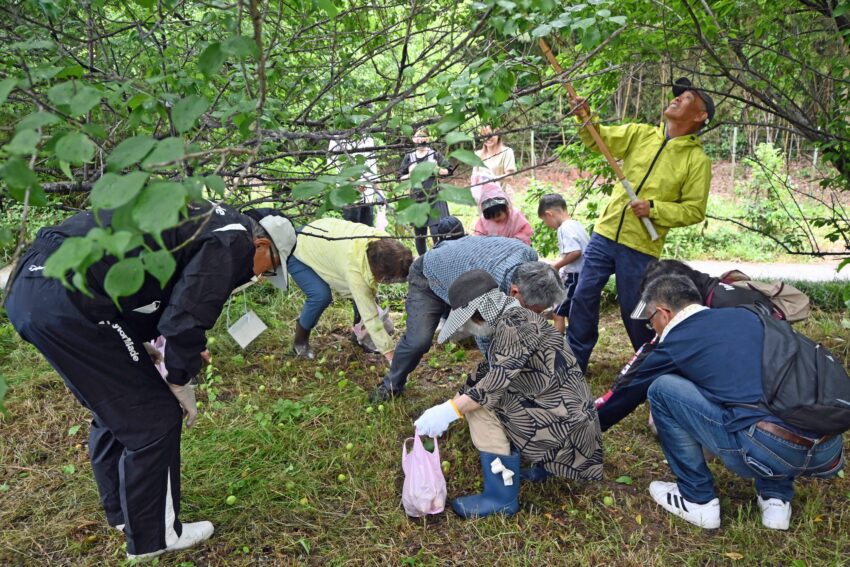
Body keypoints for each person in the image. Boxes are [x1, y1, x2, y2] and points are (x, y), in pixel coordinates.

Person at [4, 202, 295, 560]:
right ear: (263, 246)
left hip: (33, 288)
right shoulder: (233, 240)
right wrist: (179, 378)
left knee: (118, 407)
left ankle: (123, 514)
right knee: (155, 418)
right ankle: (155, 537)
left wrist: (160, 347)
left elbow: (156, 296)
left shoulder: (202, 219)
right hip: (71, 296)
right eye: (270, 270)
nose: (259, 277)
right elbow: (187, 316)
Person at [629, 275, 844, 530]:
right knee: (761, 392)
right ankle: (776, 500)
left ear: (663, 313)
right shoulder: (746, 316)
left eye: (650, 322)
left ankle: (697, 500)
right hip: (827, 449)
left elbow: (626, 392)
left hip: (769, 447)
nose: (651, 328)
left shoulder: (678, 340)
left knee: (663, 390)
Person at [414, 270, 603, 518]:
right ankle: (541, 468)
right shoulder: (516, 319)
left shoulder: (514, 325)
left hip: (567, 434)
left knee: (480, 408)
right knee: (477, 397)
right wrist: (456, 399)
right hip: (570, 426)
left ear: (480, 312)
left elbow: (494, 383)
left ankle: (500, 498)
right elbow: (489, 370)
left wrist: (451, 410)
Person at [566, 77, 714, 373]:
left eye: (686, 98)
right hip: (605, 233)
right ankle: (572, 366)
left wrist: (654, 209)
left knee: (635, 310)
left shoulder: (697, 161)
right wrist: (585, 117)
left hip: (641, 245)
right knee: (583, 296)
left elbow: (694, 210)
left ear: (700, 116)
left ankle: (649, 367)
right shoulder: (641, 134)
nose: (676, 99)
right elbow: (601, 138)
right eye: (678, 95)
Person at [369, 235, 563, 402]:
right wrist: (503, 376)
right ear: (514, 292)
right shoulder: (490, 287)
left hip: (457, 268)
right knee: (418, 340)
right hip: (429, 276)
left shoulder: (529, 259)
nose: (535, 316)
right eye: (534, 310)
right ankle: (390, 386)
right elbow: (486, 336)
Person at [595, 259, 782, 431]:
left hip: (756, 423)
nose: (652, 325)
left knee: (662, 399)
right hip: (793, 403)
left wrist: (595, 418)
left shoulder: (701, 317)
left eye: (652, 315)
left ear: (669, 297)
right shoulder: (725, 293)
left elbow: (644, 369)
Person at [287, 217, 413, 361]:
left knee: (365, 293)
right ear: (380, 272)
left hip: (323, 237)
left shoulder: (387, 244)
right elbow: (370, 315)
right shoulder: (355, 271)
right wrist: (390, 355)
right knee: (321, 296)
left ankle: (359, 335)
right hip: (299, 246)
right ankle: (300, 342)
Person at [537, 193, 590, 334]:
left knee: (557, 313)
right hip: (584, 275)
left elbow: (575, 252)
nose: (547, 225)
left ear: (549, 214)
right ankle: (573, 340)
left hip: (573, 277)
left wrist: (556, 265)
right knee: (570, 311)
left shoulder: (563, 228)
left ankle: (556, 347)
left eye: (544, 220)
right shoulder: (576, 225)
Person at [399, 128, 451, 255]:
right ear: (413, 139)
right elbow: (400, 177)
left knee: (436, 232)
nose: (421, 139)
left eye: (423, 136)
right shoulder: (409, 157)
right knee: (420, 235)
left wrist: (438, 169)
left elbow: (448, 170)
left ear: (428, 139)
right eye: (418, 136)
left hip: (435, 198)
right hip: (417, 200)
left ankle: (439, 259)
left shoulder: (435, 155)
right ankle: (422, 263)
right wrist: (410, 174)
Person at [327, 135, 383, 227]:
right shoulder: (336, 139)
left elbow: (372, 166)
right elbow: (332, 168)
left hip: (367, 196)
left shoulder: (368, 139)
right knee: (350, 231)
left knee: (367, 232)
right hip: (348, 195)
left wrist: (379, 193)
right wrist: (355, 183)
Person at [471, 125, 517, 203]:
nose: (488, 138)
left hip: (503, 198)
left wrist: (491, 178)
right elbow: (474, 177)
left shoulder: (507, 152)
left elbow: (510, 177)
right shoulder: (478, 155)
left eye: (491, 135)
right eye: (484, 135)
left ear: (498, 135)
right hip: (484, 200)